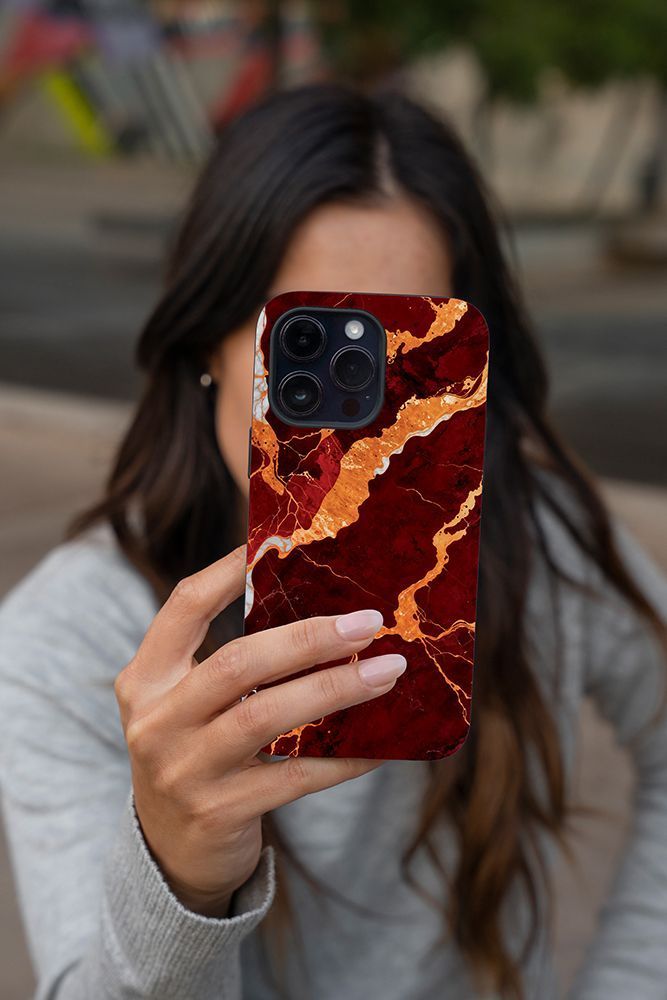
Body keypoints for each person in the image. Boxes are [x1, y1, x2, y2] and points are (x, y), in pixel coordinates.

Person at [1, 82, 666, 1000]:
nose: (362, 429)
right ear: (207, 343)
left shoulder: (536, 545)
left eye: (408, 351)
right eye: (307, 346)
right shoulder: (68, 632)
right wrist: (178, 876)